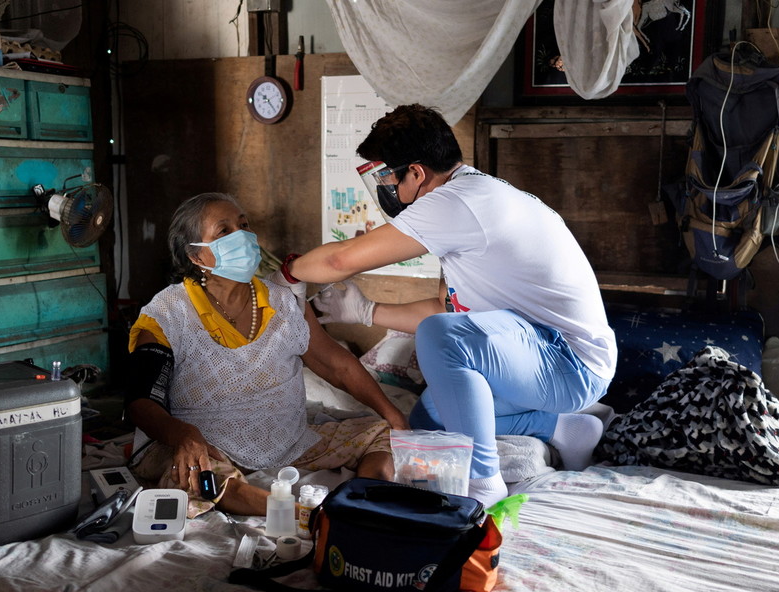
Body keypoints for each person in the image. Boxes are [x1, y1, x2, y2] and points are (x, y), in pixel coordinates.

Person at [274, 104, 617, 508]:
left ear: (416, 173)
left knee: (440, 341)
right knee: (430, 422)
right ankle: (564, 428)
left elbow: (339, 260)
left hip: (569, 363)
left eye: (388, 178)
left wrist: (288, 273)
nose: (389, 191)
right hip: (537, 356)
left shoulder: (457, 202)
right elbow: (447, 311)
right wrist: (366, 311)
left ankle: (483, 482)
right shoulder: (475, 195)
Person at [125, 192, 407, 518]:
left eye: (244, 225)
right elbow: (141, 402)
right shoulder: (165, 314)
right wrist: (185, 435)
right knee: (199, 476)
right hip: (205, 444)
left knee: (381, 433)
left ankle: (364, 502)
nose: (243, 236)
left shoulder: (282, 302)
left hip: (287, 442)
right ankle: (302, 516)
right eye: (224, 231)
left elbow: (336, 364)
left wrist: (393, 415)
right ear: (197, 256)